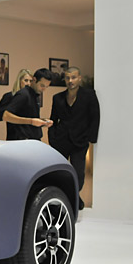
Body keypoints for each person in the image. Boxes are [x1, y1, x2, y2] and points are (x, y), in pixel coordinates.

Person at [49, 66, 100, 210]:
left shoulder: (89, 95)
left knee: (78, 174)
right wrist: (52, 139)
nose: (70, 81)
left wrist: (91, 138)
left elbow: (95, 117)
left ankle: (73, 196)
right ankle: (71, 200)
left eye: (73, 77)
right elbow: (53, 120)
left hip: (80, 141)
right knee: (60, 172)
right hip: (61, 141)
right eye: (67, 78)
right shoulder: (57, 98)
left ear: (79, 78)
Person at [2, 68, 53, 141]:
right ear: (34, 79)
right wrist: (31, 121)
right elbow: (6, 116)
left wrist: (43, 122)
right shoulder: (23, 94)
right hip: (23, 141)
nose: (44, 89)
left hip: (33, 139)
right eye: (42, 85)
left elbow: (28, 116)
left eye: (46, 87)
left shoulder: (35, 95)